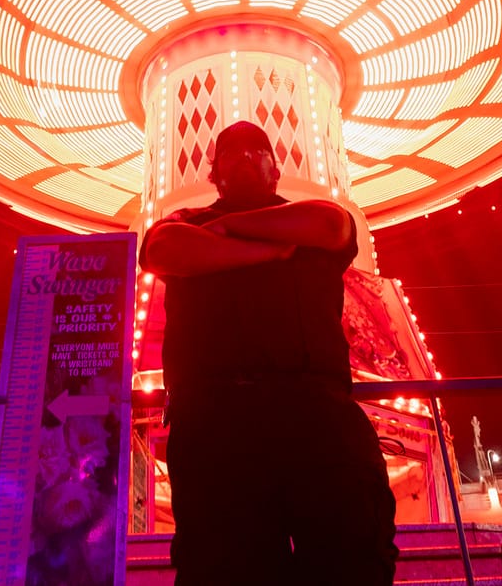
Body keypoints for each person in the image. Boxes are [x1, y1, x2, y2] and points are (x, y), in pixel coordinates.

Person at [139, 120, 398, 586]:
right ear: (213, 173)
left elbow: (333, 223)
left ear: (275, 170)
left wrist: (224, 230)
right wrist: (270, 252)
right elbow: (160, 250)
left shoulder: (309, 218)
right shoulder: (181, 227)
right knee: (222, 564)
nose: (243, 158)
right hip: (215, 424)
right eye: (229, 154)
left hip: (314, 412)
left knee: (351, 551)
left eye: (256, 151)